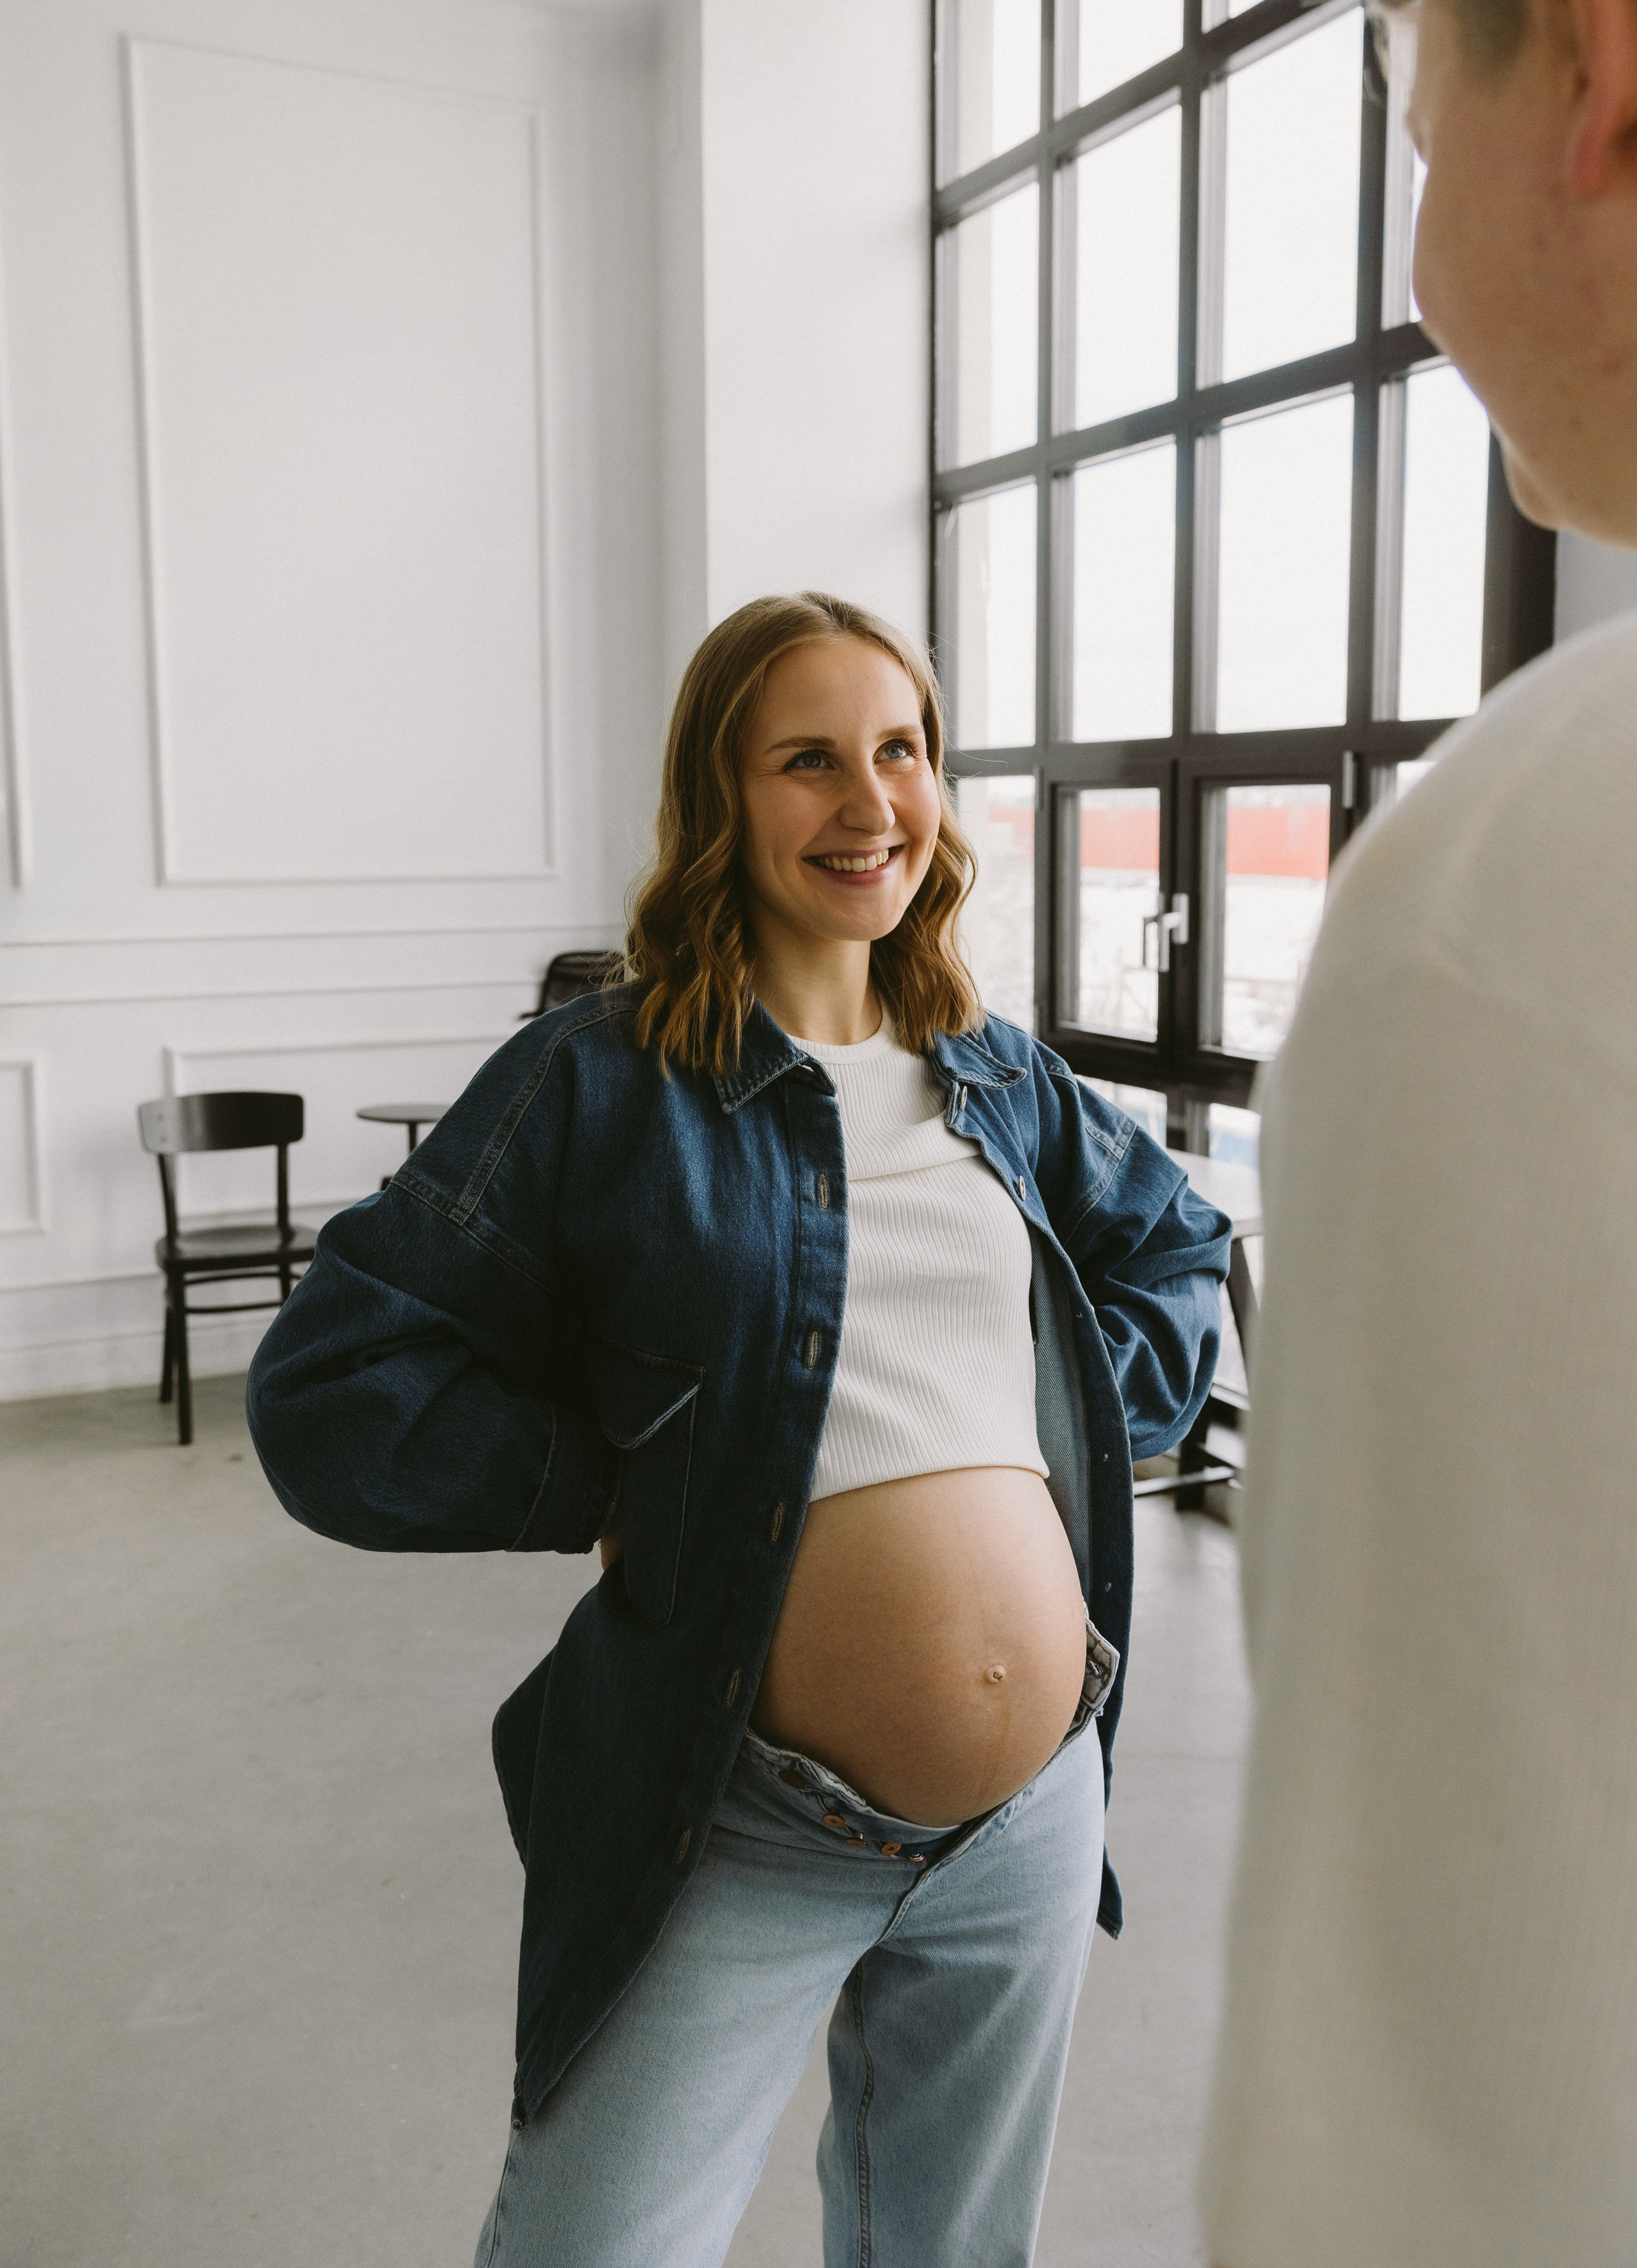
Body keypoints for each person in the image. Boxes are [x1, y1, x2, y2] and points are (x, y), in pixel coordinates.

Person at [247, 591, 1231, 2267]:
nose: (871, 804)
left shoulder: (993, 1074)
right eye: (808, 761)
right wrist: (605, 1475)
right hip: (741, 1815)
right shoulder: (598, 1081)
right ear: (720, 795)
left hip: (1033, 1819)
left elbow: (1177, 1247)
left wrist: (1059, 1440)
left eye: (901, 749)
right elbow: (333, 1381)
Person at [1202, 0, 1637, 2260]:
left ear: (1594, 72)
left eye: (1405, 121)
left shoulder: (1523, 900)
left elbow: (1438, 2148)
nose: (1407, 264)